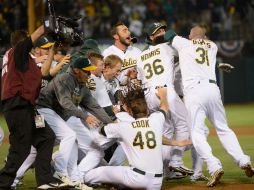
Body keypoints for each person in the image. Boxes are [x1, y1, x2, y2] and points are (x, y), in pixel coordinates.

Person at [164, 25, 254, 187]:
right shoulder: (213, 46)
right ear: (205, 37)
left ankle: (214, 166)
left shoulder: (184, 43)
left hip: (194, 91)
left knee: (197, 132)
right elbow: (201, 52)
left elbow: (169, 34)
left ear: (190, 36)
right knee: (224, 128)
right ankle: (243, 160)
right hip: (213, 89)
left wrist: (181, 38)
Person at [84, 86, 191, 190]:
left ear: (130, 111)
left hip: (136, 178)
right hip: (156, 183)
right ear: (147, 110)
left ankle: (79, 180)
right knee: (121, 184)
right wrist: (163, 94)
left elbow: (102, 131)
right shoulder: (156, 120)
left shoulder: (123, 127)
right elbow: (164, 107)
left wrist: (117, 116)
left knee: (97, 173)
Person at [37, 56, 112, 190]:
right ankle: (60, 170)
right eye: (87, 71)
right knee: (66, 137)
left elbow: (94, 107)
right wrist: (84, 116)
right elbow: (65, 103)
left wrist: (111, 123)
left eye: (90, 71)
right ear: (77, 70)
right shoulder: (64, 79)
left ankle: (74, 179)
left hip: (60, 115)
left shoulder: (82, 85)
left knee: (71, 140)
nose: (90, 74)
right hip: (42, 109)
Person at [0, 26, 61, 189]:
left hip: (27, 107)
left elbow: (43, 74)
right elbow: (28, 41)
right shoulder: (17, 51)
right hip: (18, 105)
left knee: (46, 136)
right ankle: (3, 182)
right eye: (28, 39)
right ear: (24, 41)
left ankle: (45, 179)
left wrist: (51, 50)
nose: (32, 43)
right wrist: (44, 28)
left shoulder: (20, 58)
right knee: (21, 148)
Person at [137, 22, 193, 178]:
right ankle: (176, 161)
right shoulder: (168, 47)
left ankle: (162, 171)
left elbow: (141, 79)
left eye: (163, 29)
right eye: (158, 31)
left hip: (149, 96)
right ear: (151, 36)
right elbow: (189, 49)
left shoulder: (141, 56)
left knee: (166, 132)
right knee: (184, 124)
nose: (162, 32)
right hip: (165, 91)